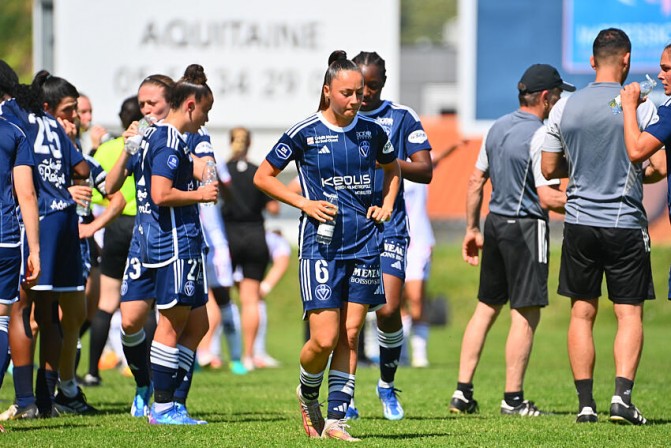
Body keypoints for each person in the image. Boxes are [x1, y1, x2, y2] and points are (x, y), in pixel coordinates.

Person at [254, 50, 400, 441]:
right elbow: (263, 176)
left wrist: (385, 206)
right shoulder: (304, 133)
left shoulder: (373, 132)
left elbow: (393, 169)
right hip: (321, 246)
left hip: (365, 243)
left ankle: (336, 419)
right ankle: (307, 393)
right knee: (323, 338)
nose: (356, 100)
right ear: (327, 91)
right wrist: (303, 202)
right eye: (347, 93)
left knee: (351, 334)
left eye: (360, 93)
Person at [541, 28, 666, 425]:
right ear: (626, 60)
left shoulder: (565, 107)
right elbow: (655, 167)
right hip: (624, 223)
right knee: (628, 314)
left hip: (578, 222)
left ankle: (585, 404)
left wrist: (582, 167)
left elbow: (548, 168)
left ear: (592, 61)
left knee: (582, 312)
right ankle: (622, 399)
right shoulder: (640, 105)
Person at [449, 63, 572, 418]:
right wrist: (587, 201)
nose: (559, 102)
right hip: (526, 227)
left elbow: (475, 182)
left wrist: (472, 229)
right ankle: (513, 399)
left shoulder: (497, 128)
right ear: (546, 97)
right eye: (559, 95)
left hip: (495, 223)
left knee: (486, 307)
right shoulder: (543, 135)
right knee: (526, 311)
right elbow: (547, 197)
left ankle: (462, 392)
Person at [107, 66, 217, 425]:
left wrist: (206, 177)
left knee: (195, 322)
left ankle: (171, 401)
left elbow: (208, 168)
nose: (144, 110)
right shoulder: (165, 140)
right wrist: (201, 194)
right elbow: (158, 193)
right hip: (168, 243)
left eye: (150, 102)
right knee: (164, 323)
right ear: (188, 105)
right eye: (140, 104)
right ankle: (162, 403)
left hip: (172, 240)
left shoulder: (183, 139)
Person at [343, 50, 432, 421]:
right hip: (349, 228)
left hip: (389, 226)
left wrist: (390, 163)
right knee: (349, 320)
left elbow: (426, 170)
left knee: (389, 309)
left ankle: (386, 384)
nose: (364, 96)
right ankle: (344, 396)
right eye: (360, 87)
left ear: (383, 82)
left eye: (373, 87)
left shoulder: (401, 117)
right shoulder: (338, 118)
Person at [0, 69, 92, 419]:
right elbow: (82, 168)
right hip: (66, 220)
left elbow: (22, 181)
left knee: (19, 311)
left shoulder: (14, 119)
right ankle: (46, 398)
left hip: (34, 222)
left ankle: (25, 401)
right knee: (49, 314)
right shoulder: (53, 125)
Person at [81, 95, 143, 386]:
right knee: (149, 303)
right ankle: (149, 372)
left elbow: (94, 192)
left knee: (107, 302)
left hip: (116, 227)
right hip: (143, 224)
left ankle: (92, 371)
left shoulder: (105, 150)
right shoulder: (147, 145)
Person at [401, 139, 469, 368]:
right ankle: (401, 353)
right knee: (394, 303)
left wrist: (456, 145)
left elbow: (436, 157)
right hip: (392, 241)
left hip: (418, 242)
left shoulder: (418, 170)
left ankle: (420, 353)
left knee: (417, 298)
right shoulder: (388, 168)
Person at [221, 127, 279, 371]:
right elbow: (274, 209)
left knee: (218, 298)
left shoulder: (223, 171)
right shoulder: (258, 172)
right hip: (255, 236)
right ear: (250, 143)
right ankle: (247, 356)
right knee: (250, 300)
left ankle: (207, 353)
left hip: (228, 237)